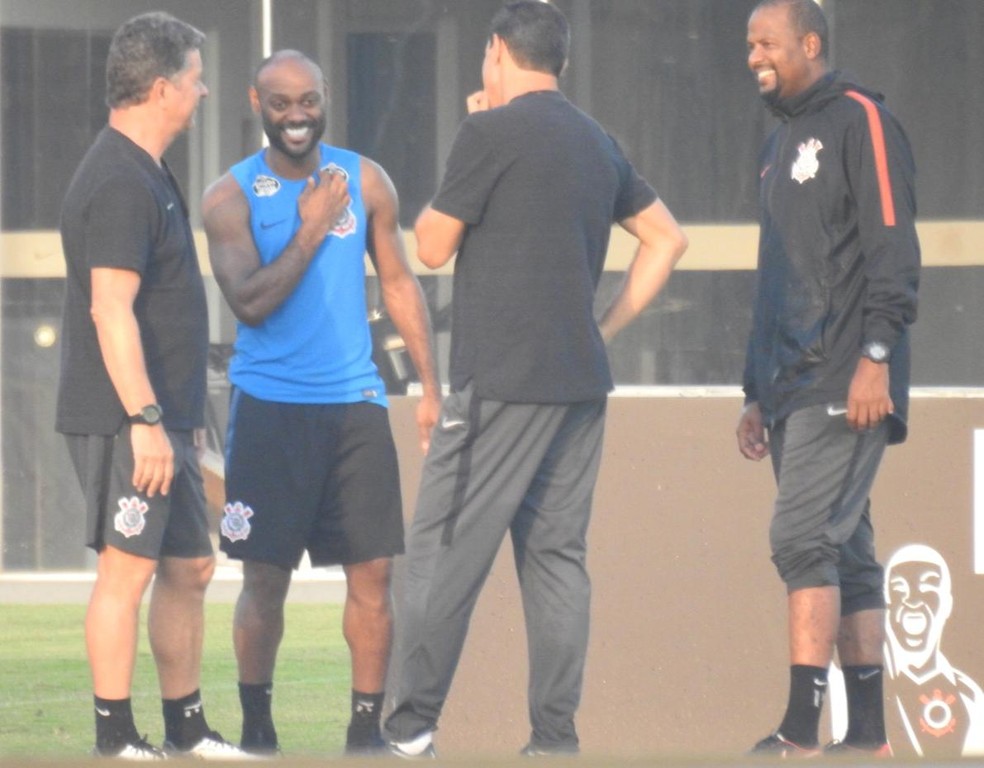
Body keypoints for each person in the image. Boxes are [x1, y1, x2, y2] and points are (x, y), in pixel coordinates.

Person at [382, 1, 688, 757]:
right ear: (561, 63)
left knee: (439, 554)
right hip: (579, 386)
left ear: (495, 52)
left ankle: (407, 730)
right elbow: (667, 239)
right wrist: (603, 326)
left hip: (500, 381)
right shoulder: (597, 140)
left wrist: (475, 130)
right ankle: (553, 741)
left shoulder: (487, 130)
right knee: (556, 562)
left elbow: (429, 246)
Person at [201, 50, 441, 756]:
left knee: (374, 573)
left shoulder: (365, 180)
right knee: (265, 581)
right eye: (281, 103)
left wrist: (431, 385)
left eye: (308, 99)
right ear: (256, 103)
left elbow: (397, 282)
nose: (297, 115)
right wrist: (312, 225)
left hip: (355, 405)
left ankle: (365, 731)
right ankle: (257, 725)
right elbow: (249, 302)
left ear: (325, 97)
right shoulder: (229, 197)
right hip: (269, 411)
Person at [56, 11, 248, 760]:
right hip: (124, 417)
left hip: (163, 418)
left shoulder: (147, 168)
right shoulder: (116, 177)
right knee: (127, 570)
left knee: (191, 567)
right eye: (197, 82)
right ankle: (115, 737)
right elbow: (111, 309)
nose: (203, 95)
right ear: (163, 87)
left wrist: (179, 419)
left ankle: (186, 729)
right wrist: (142, 417)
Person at [738, 0, 920, 757]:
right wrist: (754, 388)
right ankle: (869, 736)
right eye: (750, 45)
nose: (755, 57)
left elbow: (892, 245)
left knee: (801, 535)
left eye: (767, 43)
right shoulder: (779, 144)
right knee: (845, 552)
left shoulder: (860, 119)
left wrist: (876, 355)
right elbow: (774, 273)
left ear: (810, 43)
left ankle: (799, 727)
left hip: (847, 378)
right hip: (790, 386)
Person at [882, 544, 984, 757]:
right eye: (899, 589)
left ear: (947, 604)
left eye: (928, 588)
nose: (912, 600)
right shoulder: (864, 691)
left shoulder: (971, 698)